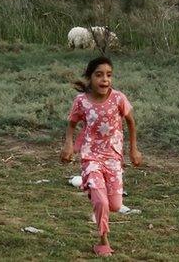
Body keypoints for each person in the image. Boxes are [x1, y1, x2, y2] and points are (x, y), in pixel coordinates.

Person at [60, 56, 143, 257]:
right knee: (102, 202)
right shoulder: (81, 102)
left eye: (109, 75)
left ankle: (98, 200)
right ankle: (103, 241)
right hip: (91, 156)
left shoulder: (118, 98)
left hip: (113, 156)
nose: (105, 79)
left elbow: (131, 122)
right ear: (90, 78)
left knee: (114, 205)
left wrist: (133, 149)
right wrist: (69, 145)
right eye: (99, 75)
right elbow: (72, 124)